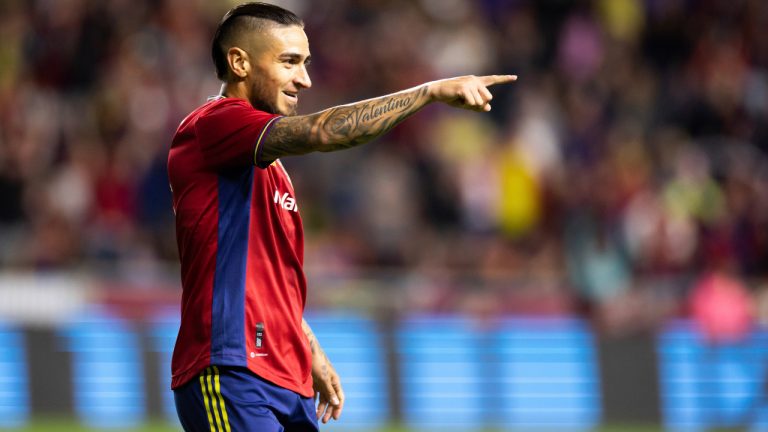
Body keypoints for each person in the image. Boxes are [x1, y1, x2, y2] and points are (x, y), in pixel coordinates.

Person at [167, 2, 517, 431]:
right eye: (289, 62)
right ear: (239, 62)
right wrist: (427, 92)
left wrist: (308, 345)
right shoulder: (214, 125)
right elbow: (323, 131)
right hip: (231, 371)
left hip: (285, 378)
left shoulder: (270, 171)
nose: (305, 79)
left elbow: (267, 273)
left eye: (306, 63)